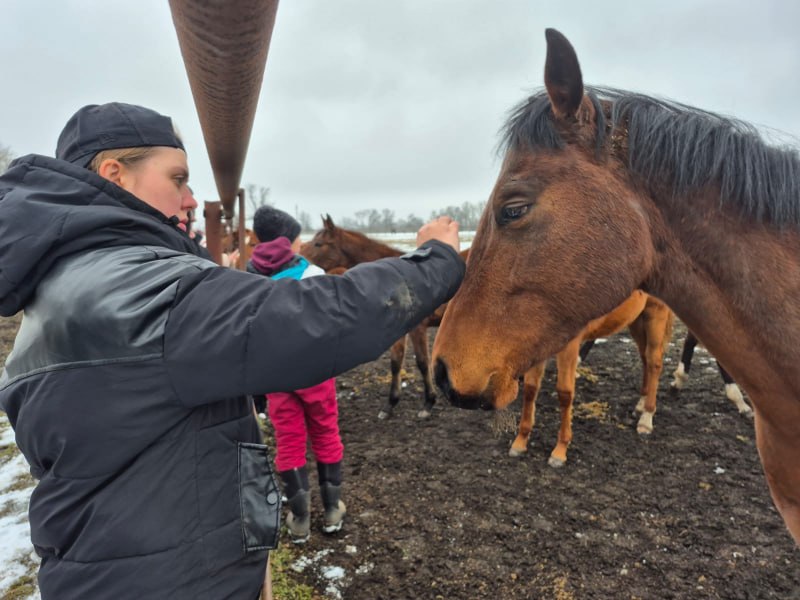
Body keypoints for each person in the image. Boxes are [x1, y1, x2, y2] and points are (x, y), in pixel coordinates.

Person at [0, 102, 464, 599]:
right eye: (177, 178)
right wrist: (434, 258)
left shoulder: (61, 290)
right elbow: (320, 317)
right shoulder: (143, 289)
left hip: (106, 569)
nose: (190, 199)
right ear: (115, 174)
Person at [247, 205, 343, 544]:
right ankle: (331, 511)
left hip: (277, 375)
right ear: (288, 241)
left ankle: (300, 519)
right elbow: (331, 322)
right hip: (315, 371)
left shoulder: (249, 277)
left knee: (289, 440)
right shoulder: (312, 273)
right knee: (326, 432)